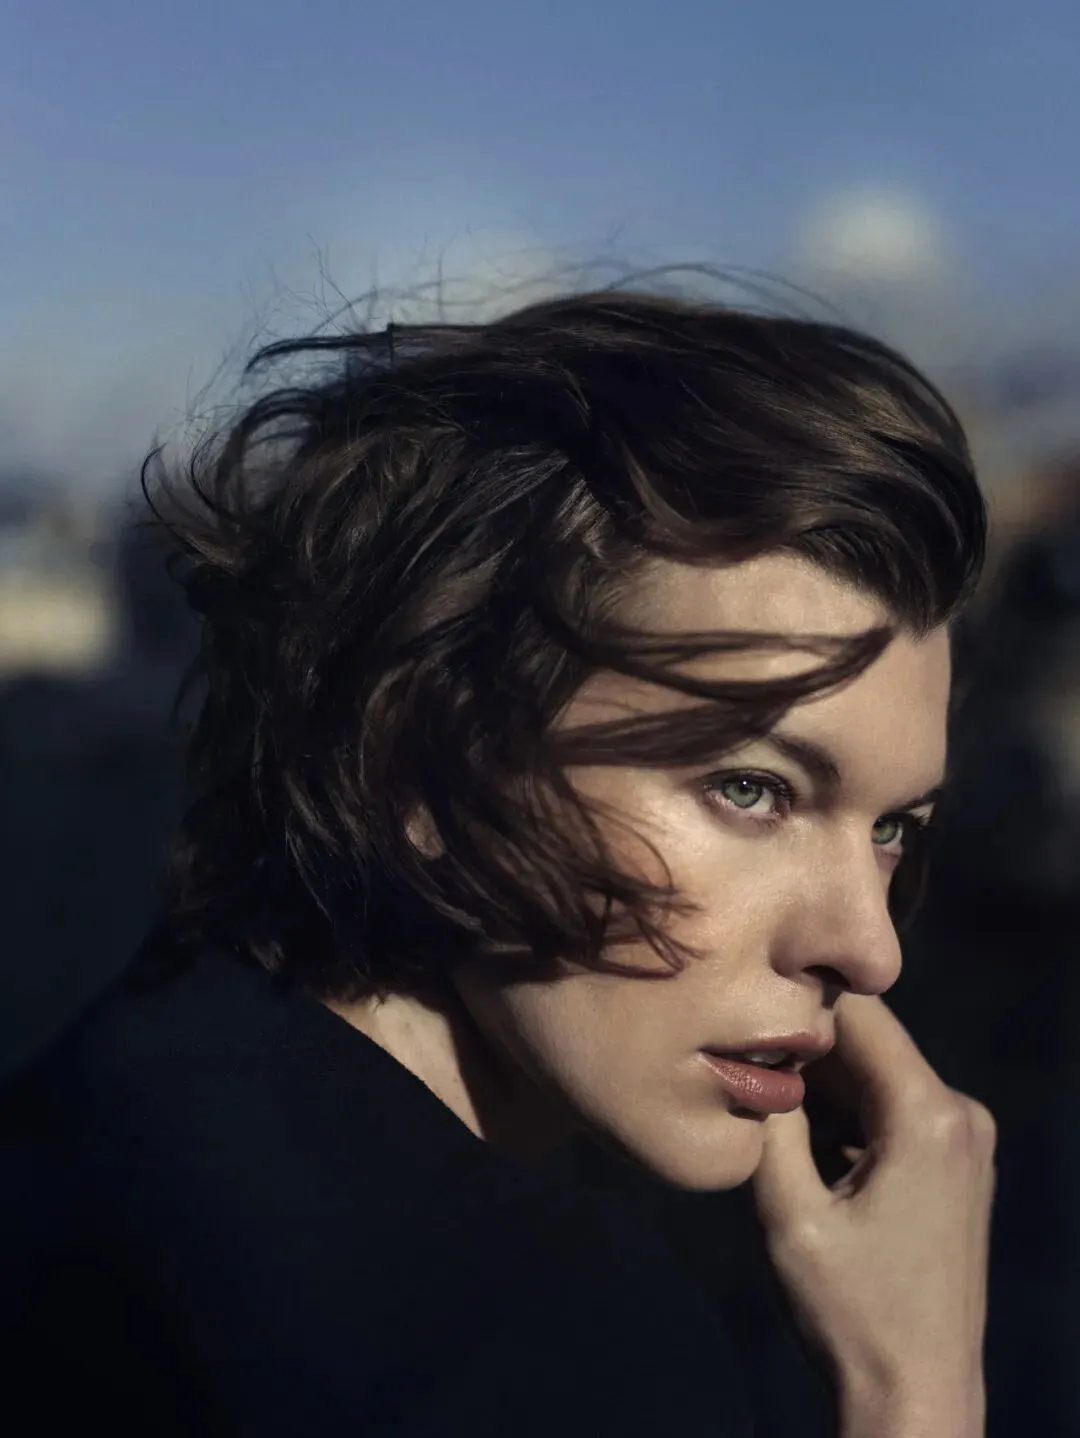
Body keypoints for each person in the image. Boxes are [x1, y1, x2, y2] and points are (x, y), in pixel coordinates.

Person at [0, 285, 997, 1436]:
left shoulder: (136, 1095)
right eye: (750, 788)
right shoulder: (518, 1367)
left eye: (892, 828)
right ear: (420, 757)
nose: (869, 949)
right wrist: (914, 1387)